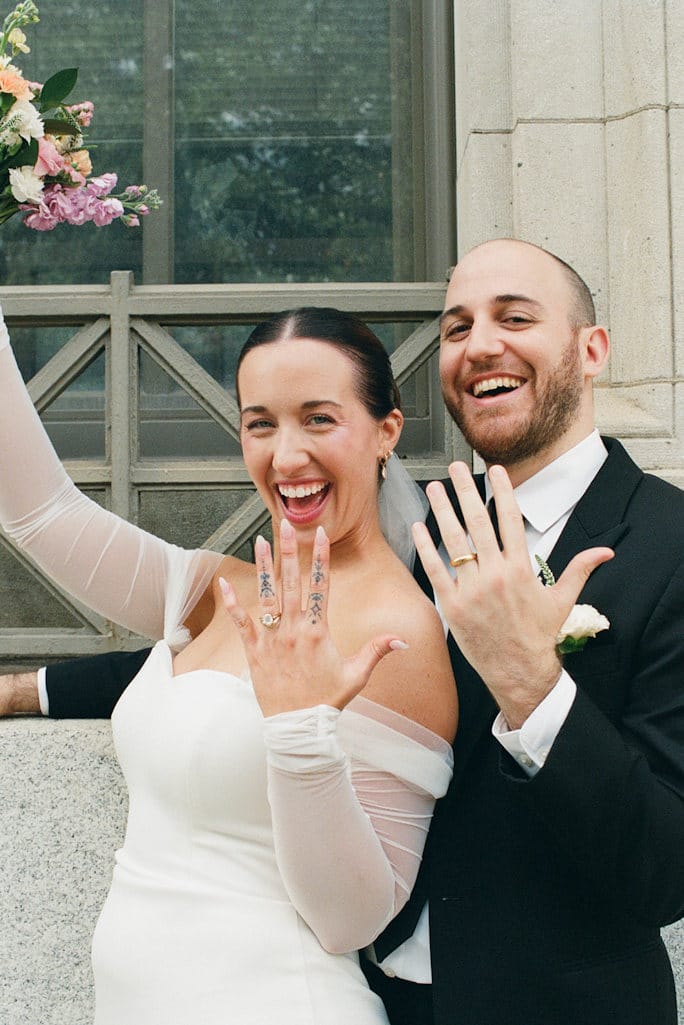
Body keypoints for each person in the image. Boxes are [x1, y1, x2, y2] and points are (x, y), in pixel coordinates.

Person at [3, 238, 684, 1025]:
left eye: (515, 316)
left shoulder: (668, 547)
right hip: (384, 997)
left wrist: (532, 682)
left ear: (591, 348)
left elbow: (666, 868)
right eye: (457, 326)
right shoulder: (412, 530)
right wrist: (33, 686)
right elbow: (255, 655)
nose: (481, 343)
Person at [0, 305, 459, 1025]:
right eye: (261, 423)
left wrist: (301, 732)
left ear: (386, 432)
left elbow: (354, 920)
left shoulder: (397, 630)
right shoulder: (219, 589)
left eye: (318, 419)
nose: (285, 456)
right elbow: (39, 513)